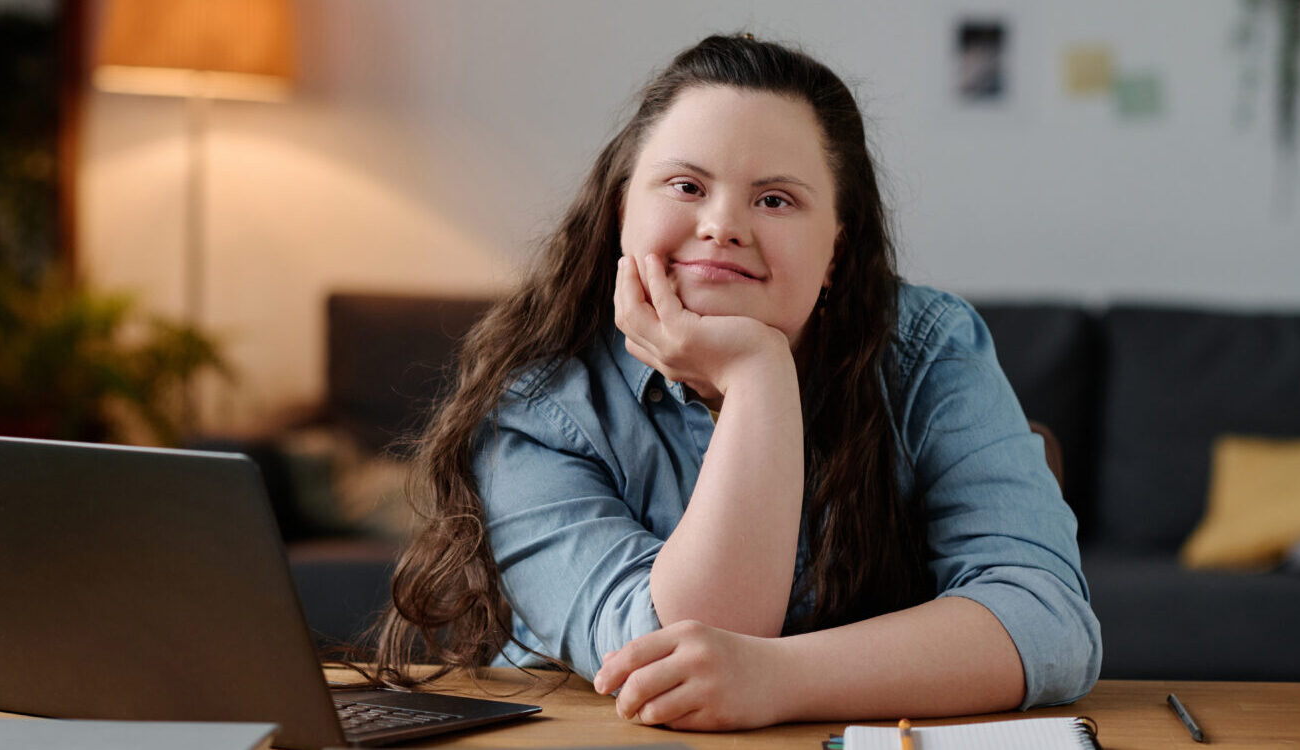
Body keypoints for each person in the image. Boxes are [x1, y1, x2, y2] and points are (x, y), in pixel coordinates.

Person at [371, 33, 1101, 731]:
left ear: (837, 250)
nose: (722, 225)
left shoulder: (927, 349)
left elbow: (1047, 620)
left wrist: (777, 678)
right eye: (687, 185)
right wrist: (757, 374)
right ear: (624, 209)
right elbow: (673, 655)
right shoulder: (539, 404)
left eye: (775, 199)